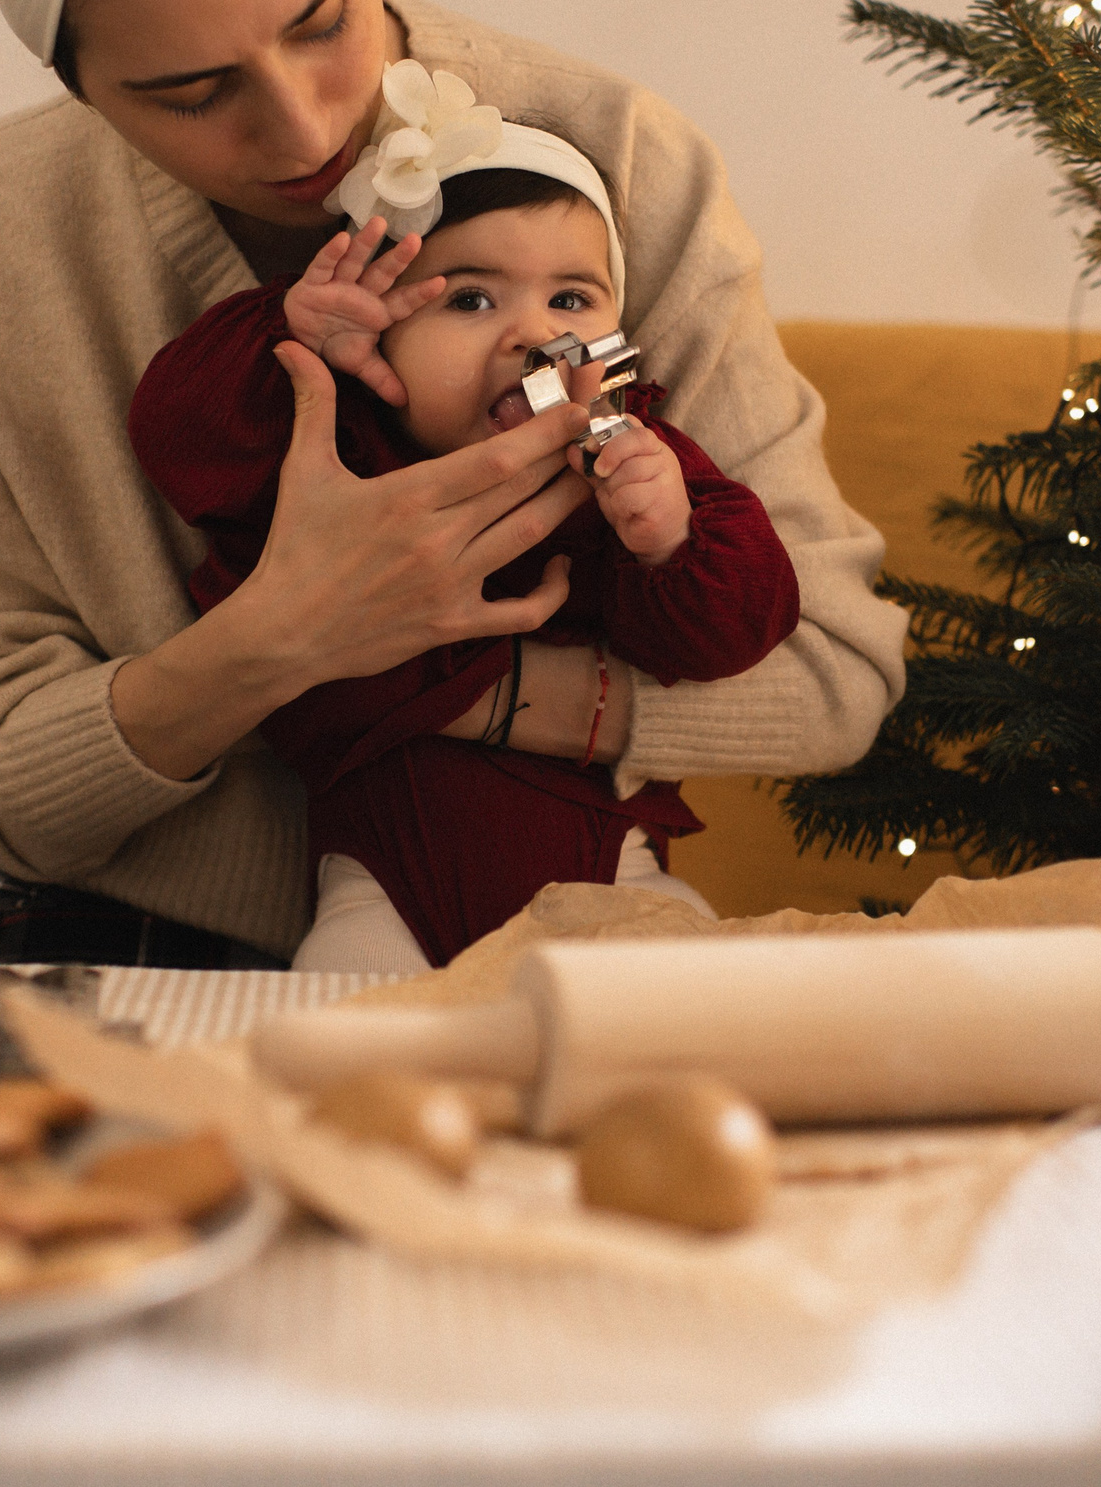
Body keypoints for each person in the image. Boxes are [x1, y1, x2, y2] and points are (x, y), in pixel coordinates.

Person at [0, 0, 908, 969]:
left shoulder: (617, 164)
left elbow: (834, 669)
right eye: (192, 92)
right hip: (111, 912)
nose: (303, 133)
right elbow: (5, 784)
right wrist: (277, 639)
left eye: (323, 20)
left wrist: (447, 693)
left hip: (548, 881)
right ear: (70, 76)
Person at [130, 85, 800, 970]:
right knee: (351, 998)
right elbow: (179, 437)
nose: (533, 336)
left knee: (699, 977)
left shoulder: (635, 457)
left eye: (572, 301)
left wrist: (671, 539)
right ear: (379, 336)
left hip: (611, 870)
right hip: (388, 882)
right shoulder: (337, 447)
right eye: (472, 301)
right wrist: (286, 335)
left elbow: (744, 626)